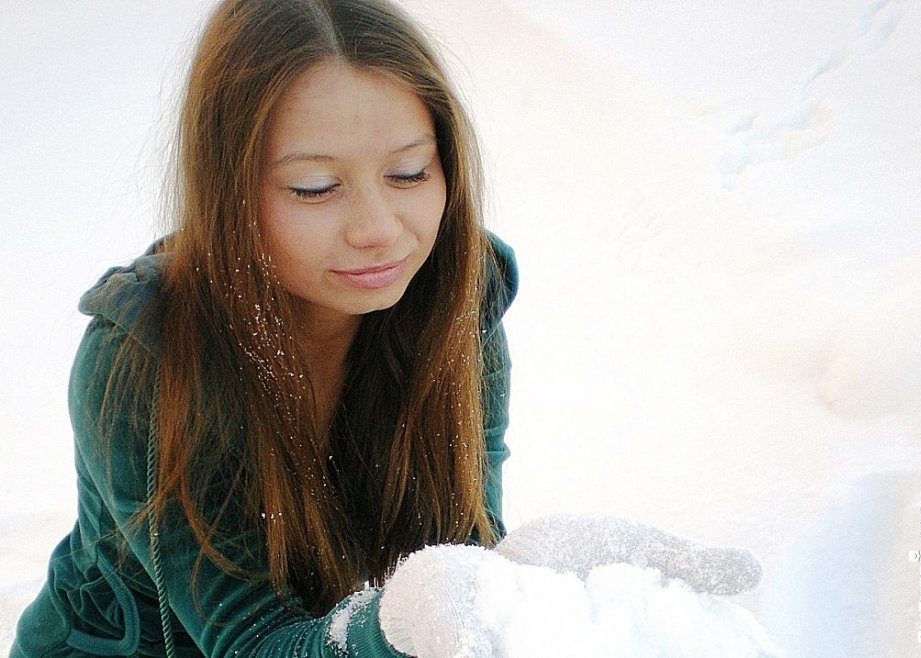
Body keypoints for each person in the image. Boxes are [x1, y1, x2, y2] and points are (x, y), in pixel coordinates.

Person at [12, 1, 762, 656]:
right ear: (228, 190)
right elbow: (250, 644)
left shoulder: (454, 298)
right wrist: (404, 623)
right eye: (316, 187)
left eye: (408, 174)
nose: (380, 230)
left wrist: (527, 584)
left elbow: (452, 556)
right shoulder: (146, 354)